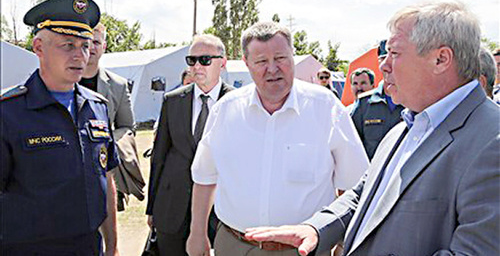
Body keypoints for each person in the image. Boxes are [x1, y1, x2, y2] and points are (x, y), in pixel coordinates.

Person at [243, 1, 500, 256]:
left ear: (441, 59)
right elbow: (363, 195)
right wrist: (317, 228)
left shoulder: (492, 142)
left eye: (395, 53)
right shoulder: (405, 129)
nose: (384, 66)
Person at [186, 21, 369, 256]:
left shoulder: (325, 107)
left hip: (304, 250)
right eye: (261, 61)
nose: (272, 69)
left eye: (281, 58)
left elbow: (352, 184)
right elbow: (204, 177)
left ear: (293, 56)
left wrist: (344, 240)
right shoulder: (226, 111)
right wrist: (197, 233)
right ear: (246, 63)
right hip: (234, 245)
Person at [0, 0, 120, 255]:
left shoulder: (97, 107)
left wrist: (112, 247)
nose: (81, 56)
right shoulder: (8, 112)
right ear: (39, 47)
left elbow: (106, 180)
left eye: (85, 46)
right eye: (68, 45)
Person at [146, 34, 233, 255]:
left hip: (219, 214)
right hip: (171, 208)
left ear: (222, 63)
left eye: (205, 60)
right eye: (191, 60)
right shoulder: (172, 100)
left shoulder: (237, 103)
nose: (196, 66)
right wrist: (152, 208)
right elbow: (159, 157)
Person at [80, 23, 145, 211]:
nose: (91, 47)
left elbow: (128, 128)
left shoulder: (118, 85)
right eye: (86, 41)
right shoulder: (64, 81)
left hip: (104, 173)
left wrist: (105, 141)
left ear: (104, 47)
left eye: (96, 42)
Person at [350, 40, 404, 160]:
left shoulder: (413, 102)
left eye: (394, 57)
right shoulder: (364, 104)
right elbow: (351, 146)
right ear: (379, 62)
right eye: (384, 58)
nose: (388, 64)